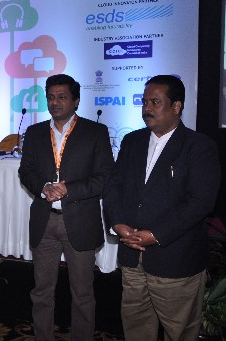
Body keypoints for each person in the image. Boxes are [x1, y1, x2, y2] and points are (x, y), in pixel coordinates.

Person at [103, 75, 221, 341]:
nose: (147, 109)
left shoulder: (199, 146)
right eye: (144, 102)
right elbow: (114, 188)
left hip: (175, 261)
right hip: (132, 256)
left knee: (179, 332)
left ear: (176, 106)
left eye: (155, 102)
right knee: (135, 327)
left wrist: (155, 234)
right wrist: (117, 224)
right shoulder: (132, 141)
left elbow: (201, 202)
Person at [18, 73, 114, 341]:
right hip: (44, 220)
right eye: (50, 97)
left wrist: (68, 188)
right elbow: (26, 172)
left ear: (76, 101)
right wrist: (42, 187)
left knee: (82, 294)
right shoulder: (35, 132)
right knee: (41, 292)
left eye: (62, 97)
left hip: (80, 221)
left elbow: (105, 177)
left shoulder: (95, 132)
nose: (55, 103)